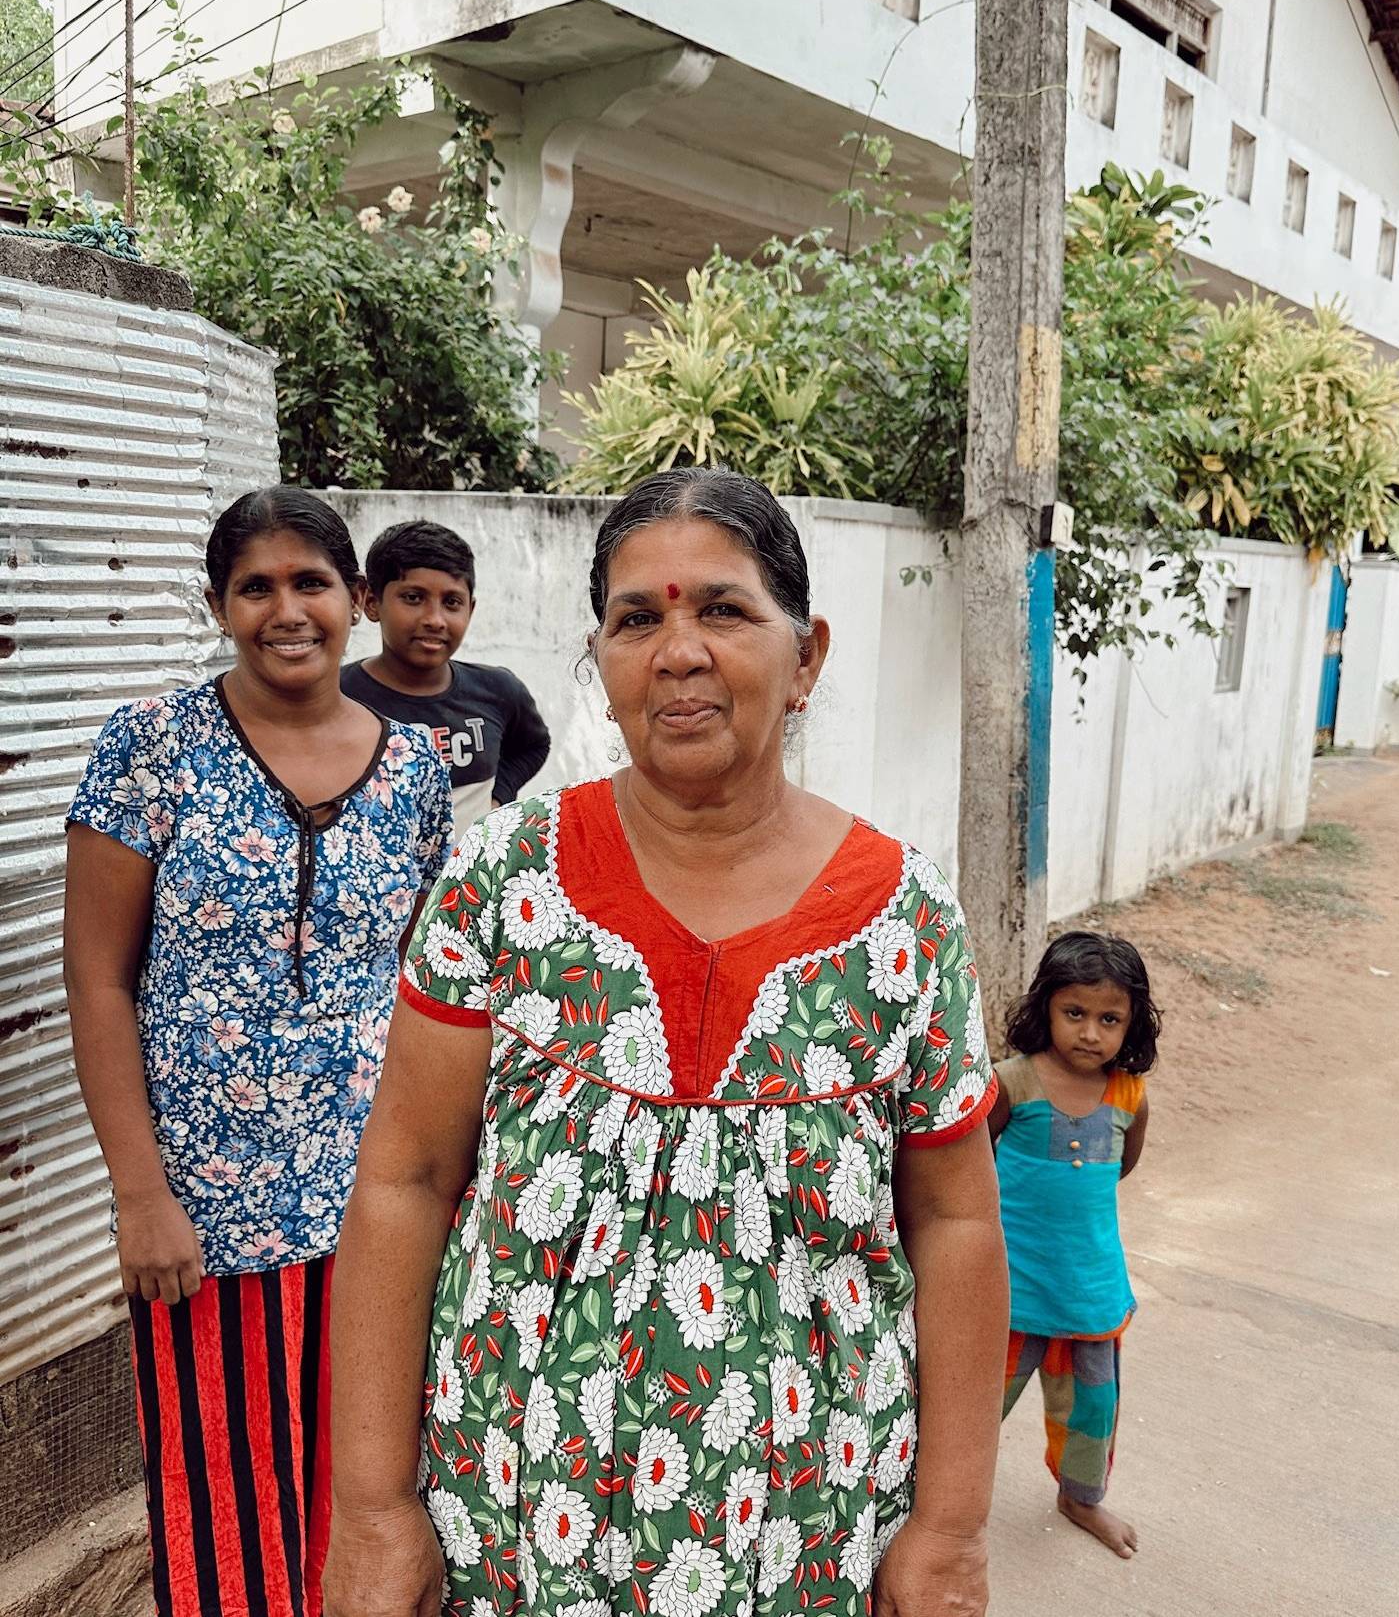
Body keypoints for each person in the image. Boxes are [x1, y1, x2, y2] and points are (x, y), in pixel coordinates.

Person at [323, 467, 1009, 1617]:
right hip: (517, 1525)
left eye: (723, 609)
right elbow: (404, 1180)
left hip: (813, 1533)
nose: (677, 650)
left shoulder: (906, 918)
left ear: (808, 656)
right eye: (637, 618)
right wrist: (373, 1506)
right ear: (601, 664)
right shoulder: (503, 879)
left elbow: (956, 1221)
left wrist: (950, 1525)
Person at [63, 487, 453, 1617]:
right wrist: (142, 1196)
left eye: (312, 582)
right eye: (257, 586)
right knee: (222, 1503)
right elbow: (98, 979)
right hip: (205, 1215)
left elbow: (427, 990)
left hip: (376, 1200)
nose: (288, 609)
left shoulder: (417, 770)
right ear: (220, 604)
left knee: (370, 1492)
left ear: (358, 600)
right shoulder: (151, 746)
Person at [985, 930, 1159, 1559]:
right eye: (1075, 1013)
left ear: (1132, 1025)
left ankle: (1081, 1498)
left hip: (1090, 1290)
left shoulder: (1128, 1096)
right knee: (977, 1404)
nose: (1090, 1032)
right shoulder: (1011, 1083)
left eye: (1110, 1019)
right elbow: (971, 1169)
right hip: (1011, 1288)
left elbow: (1120, 1170)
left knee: (1092, 1410)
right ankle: (932, 1497)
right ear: (1045, 1009)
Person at [341, 519, 551, 830]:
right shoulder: (337, 694)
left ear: (471, 609)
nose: (435, 620)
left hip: (474, 878)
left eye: (452, 602)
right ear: (372, 603)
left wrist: (497, 798)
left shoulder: (498, 690)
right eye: (413, 598)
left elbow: (534, 746)